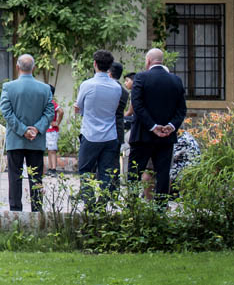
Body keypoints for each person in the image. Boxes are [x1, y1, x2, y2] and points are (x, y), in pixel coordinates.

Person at [128, 48, 187, 202]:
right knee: (163, 174)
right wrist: (171, 126)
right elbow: (181, 109)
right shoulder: (176, 80)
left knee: (134, 173)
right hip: (166, 137)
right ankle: (160, 208)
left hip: (142, 135)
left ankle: (132, 206)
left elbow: (137, 105)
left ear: (148, 61)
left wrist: (153, 126)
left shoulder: (141, 77)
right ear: (162, 61)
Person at [0, 54, 55, 212]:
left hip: (15, 139)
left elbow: (6, 112)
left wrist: (23, 130)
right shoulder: (45, 88)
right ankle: (37, 210)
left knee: (14, 177)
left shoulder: (8, 87)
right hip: (36, 140)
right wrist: (36, 129)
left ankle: (15, 210)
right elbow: (50, 112)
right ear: (34, 68)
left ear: (17, 67)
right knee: (36, 177)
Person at [75, 49, 124, 202]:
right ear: (110, 66)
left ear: (95, 64)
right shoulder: (117, 87)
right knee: (106, 172)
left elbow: (79, 106)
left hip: (90, 134)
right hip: (110, 134)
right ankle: (102, 205)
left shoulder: (87, 85)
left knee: (85, 170)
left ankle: (89, 204)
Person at [109, 61, 129, 187]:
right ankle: (113, 188)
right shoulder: (124, 91)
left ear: (109, 73)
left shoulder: (109, 89)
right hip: (118, 128)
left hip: (107, 128)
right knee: (114, 161)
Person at [45, 84, 62, 175]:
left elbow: (61, 111)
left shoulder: (52, 102)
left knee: (52, 150)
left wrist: (57, 122)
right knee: (49, 149)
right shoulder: (46, 102)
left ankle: (54, 169)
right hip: (47, 130)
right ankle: (51, 168)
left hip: (52, 130)